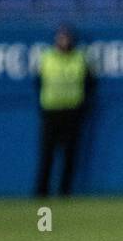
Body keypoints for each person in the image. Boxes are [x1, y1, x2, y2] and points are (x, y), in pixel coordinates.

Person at [34, 26, 93, 197]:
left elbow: (90, 84)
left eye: (66, 38)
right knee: (47, 155)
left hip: (72, 113)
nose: (64, 41)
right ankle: (41, 192)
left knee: (69, 156)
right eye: (61, 38)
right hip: (51, 112)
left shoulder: (79, 59)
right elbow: (37, 82)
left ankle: (64, 192)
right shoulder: (47, 58)